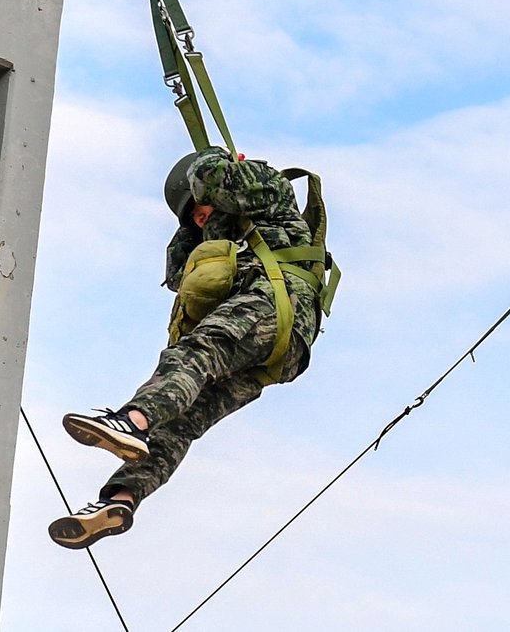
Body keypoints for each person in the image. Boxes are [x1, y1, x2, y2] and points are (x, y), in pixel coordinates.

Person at [49, 146, 323, 549]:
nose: (200, 219)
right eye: (192, 217)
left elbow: (212, 178)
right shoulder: (226, 242)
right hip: (275, 352)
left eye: (201, 209)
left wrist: (218, 171)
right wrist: (196, 227)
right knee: (181, 421)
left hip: (278, 304)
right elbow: (178, 274)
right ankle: (121, 499)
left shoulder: (269, 193)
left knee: (196, 353)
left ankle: (133, 421)